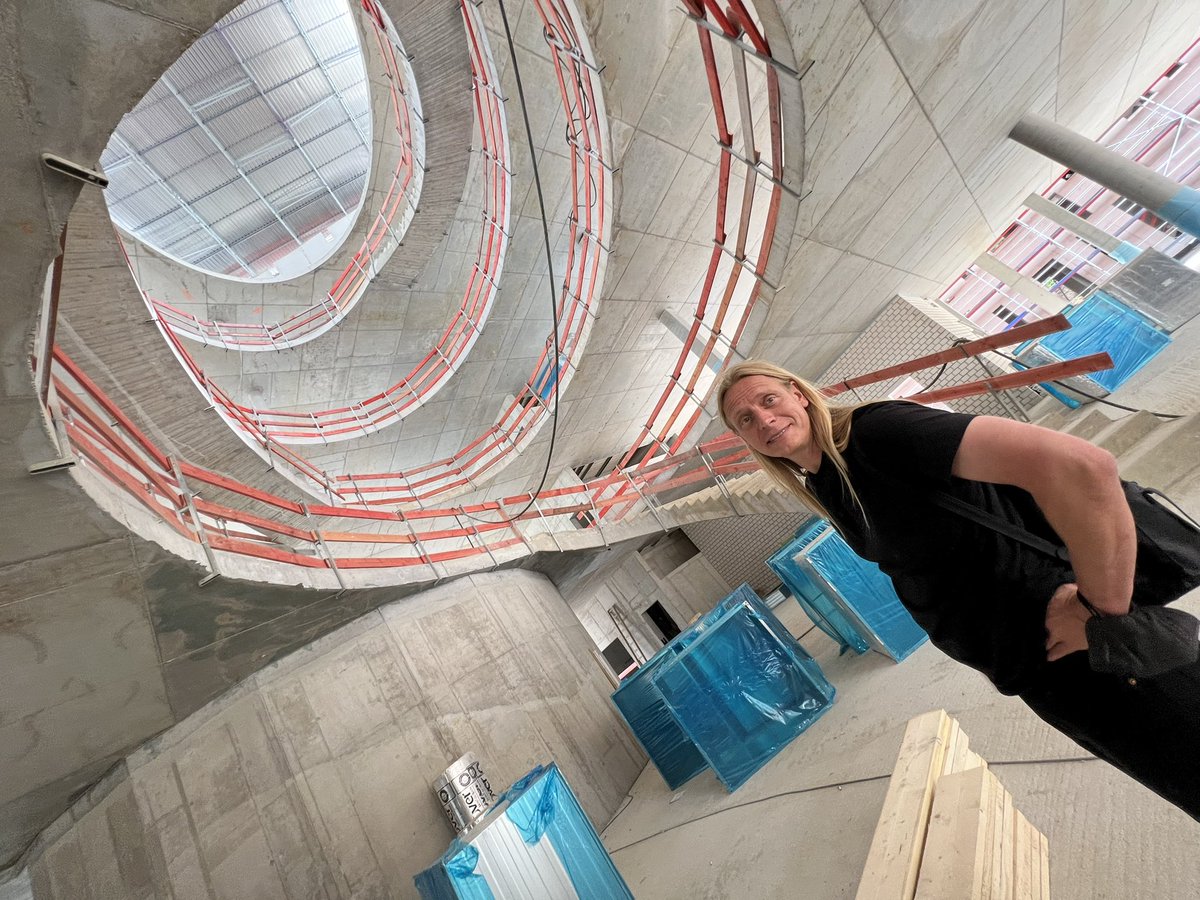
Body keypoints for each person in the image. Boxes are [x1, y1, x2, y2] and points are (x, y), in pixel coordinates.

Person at [717, 359, 1200, 820]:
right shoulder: (825, 480)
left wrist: (1102, 613)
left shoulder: (877, 434)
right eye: (746, 418)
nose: (764, 418)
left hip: (1090, 654)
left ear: (799, 395)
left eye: (769, 399)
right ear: (744, 439)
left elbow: (1082, 466)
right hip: (1039, 672)